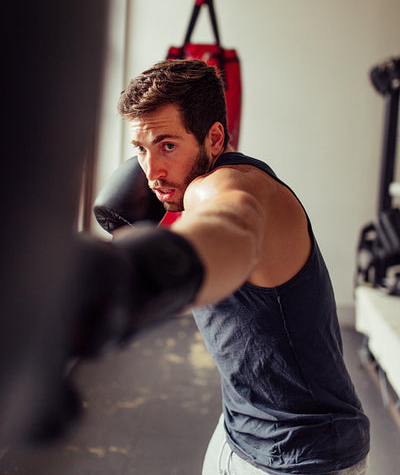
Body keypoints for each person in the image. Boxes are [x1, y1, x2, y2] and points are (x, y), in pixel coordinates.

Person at [115, 58, 370, 474]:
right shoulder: (199, 178)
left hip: (307, 455)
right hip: (239, 429)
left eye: (167, 145)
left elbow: (233, 222)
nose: (151, 171)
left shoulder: (226, 187)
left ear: (215, 137)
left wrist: (159, 272)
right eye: (140, 149)